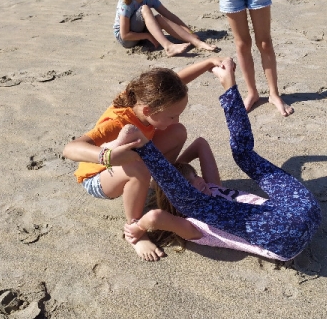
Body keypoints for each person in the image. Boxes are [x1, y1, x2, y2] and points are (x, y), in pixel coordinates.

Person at [115, 59, 321, 261]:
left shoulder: (213, 189)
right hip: (283, 237)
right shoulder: (194, 225)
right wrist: (138, 227)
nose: (199, 181)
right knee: (192, 202)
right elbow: (155, 217)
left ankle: (229, 85)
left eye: (196, 175)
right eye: (190, 183)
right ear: (174, 205)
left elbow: (201, 145)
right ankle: (141, 142)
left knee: (243, 155)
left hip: (304, 207)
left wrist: (179, 167)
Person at [62, 57, 230, 261]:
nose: (175, 119)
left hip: (132, 158)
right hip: (98, 177)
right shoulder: (117, 122)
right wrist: (107, 156)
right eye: (171, 116)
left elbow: (176, 82)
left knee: (178, 132)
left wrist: (207, 63)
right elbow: (69, 149)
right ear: (149, 110)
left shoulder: (144, 98)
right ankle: (134, 232)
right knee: (137, 167)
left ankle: (157, 185)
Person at [114, 0, 218, 57]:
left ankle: (196, 43)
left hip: (140, 32)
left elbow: (169, 15)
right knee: (145, 8)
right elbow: (125, 35)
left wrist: (189, 31)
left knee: (159, 18)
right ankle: (168, 47)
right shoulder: (126, 3)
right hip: (127, 40)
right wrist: (147, 35)